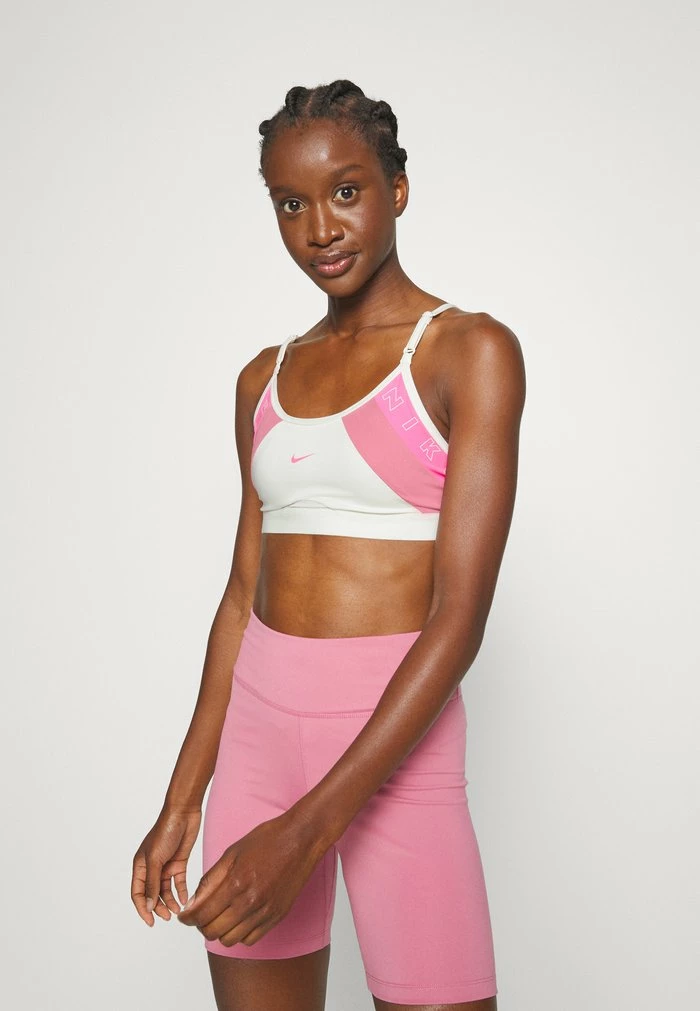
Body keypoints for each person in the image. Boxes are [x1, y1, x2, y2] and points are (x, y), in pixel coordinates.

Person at [131, 78, 526, 1011]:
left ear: (397, 188)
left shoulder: (468, 352)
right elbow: (242, 596)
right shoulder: (261, 379)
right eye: (291, 203)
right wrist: (184, 796)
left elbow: (459, 618)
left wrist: (306, 831)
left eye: (346, 191)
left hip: (398, 750)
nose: (320, 228)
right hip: (259, 745)